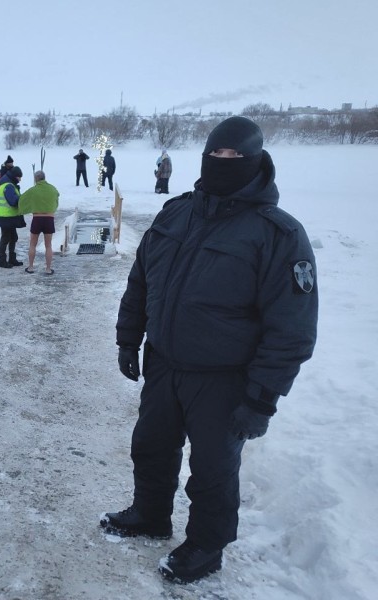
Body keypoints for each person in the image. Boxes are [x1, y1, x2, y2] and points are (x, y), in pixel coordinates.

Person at [102, 116, 318, 583]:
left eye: (235, 157)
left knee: (213, 470)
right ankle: (150, 514)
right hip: (164, 363)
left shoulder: (277, 234)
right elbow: (141, 283)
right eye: (216, 155)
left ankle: (206, 545)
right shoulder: (175, 213)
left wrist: (262, 397)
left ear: (257, 162)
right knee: (151, 448)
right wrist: (128, 337)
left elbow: (292, 328)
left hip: (224, 377)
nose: (223, 163)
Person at [18, 170, 59, 275]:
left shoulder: (33, 190)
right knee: (48, 245)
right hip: (49, 219)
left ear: (36, 179)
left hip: (37, 219)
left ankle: (31, 267)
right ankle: (48, 269)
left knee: (32, 244)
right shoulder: (52, 189)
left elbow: (22, 199)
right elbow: (56, 201)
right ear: (44, 178)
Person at [0, 166, 26, 268]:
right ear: (14, 176)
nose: (20, 180)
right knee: (6, 238)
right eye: (19, 177)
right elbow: (13, 201)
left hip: (9, 217)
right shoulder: (8, 186)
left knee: (13, 237)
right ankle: (2, 261)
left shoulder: (10, 185)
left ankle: (12, 259)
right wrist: (23, 199)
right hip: (5, 217)